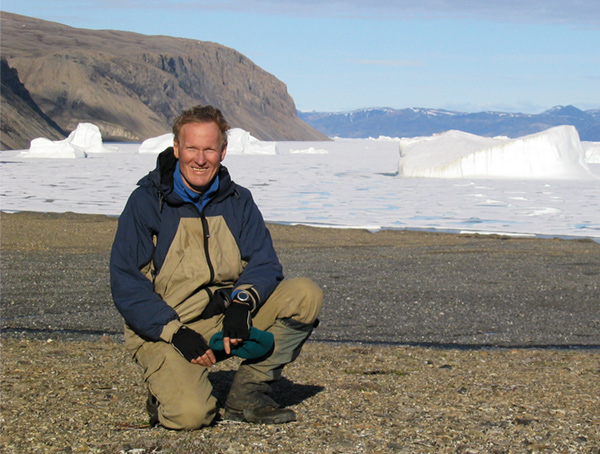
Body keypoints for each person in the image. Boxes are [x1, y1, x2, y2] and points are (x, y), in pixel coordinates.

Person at [110, 105, 323, 430]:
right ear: (177, 149)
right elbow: (127, 282)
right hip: (165, 330)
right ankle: (163, 389)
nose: (200, 158)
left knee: (305, 296)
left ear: (222, 151)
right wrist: (174, 332)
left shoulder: (238, 201)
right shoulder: (148, 203)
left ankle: (247, 394)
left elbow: (264, 262)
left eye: (209, 148)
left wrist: (241, 303)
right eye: (192, 148)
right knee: (191, 416)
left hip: (222, 318)